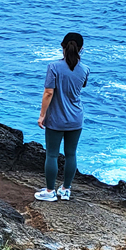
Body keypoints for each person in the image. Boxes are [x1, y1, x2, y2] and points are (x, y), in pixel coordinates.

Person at [36, 32, 88, 201]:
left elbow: (48, 92)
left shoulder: (53, 67)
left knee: (52, 155)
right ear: (81, 48)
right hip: (76, 118)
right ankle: (65, 190)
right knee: (71, 154)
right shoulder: (85, 69)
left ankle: (50, 191)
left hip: (56, 118)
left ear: (62, 46)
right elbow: (80, 86)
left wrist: (42, 115)